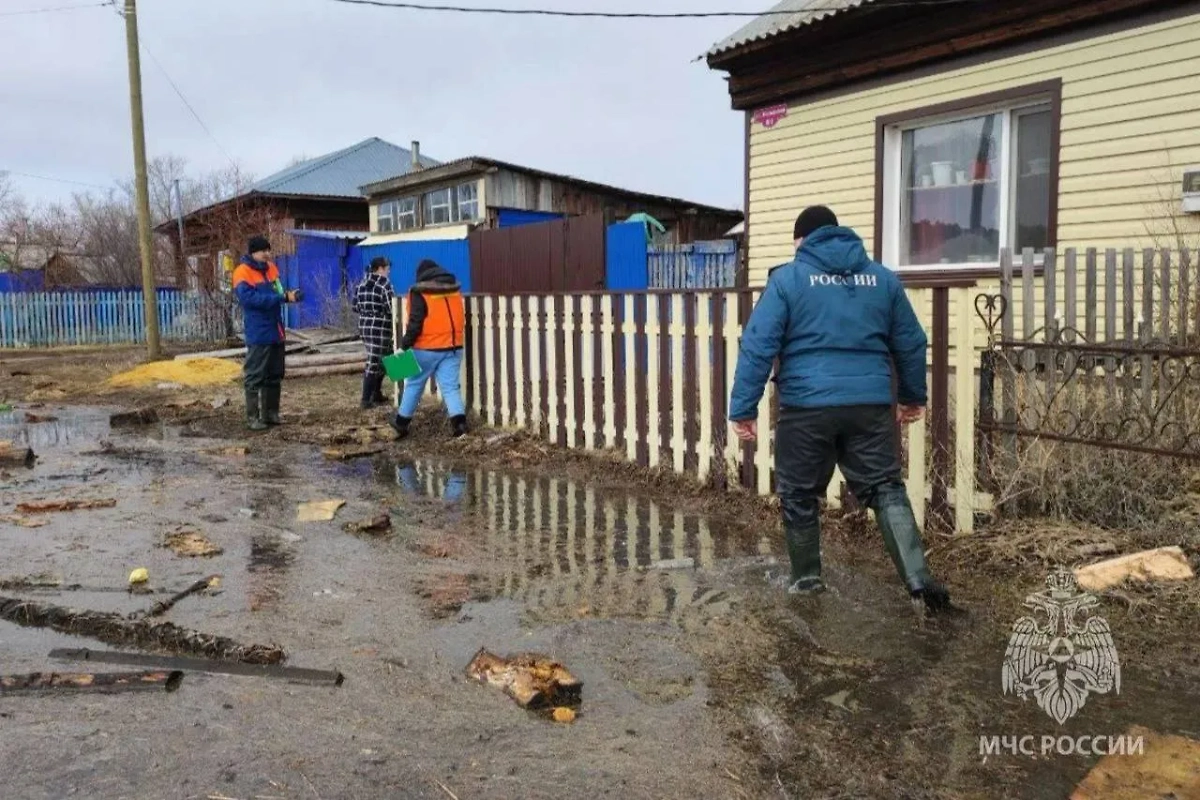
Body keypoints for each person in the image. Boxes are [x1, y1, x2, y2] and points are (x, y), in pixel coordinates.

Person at [728, 205, 951, 614]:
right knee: (885, 488)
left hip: (807, 406)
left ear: (802, 240)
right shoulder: (882, 279)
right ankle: (920, 583)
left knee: (799, 494)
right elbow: (911, 341)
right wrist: (912, 397)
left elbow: (758, 344)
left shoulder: (788, 280)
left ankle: (808, 585)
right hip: (868, 405)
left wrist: (743, 407)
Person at [389, 259, 468, 439]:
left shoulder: (419, 292)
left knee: (415, 383)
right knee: (450, 388)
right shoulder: (454, 290)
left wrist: (404, 346)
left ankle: (401, 424)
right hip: (453, 347)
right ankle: (460, 427)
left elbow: (415, 324)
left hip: (426, 348)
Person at [232, 235, 302, 431]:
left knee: (275, 374)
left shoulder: (271, 269)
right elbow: (250, 300)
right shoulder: (242, 272)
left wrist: (289, 295)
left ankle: (271, 413)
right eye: (264, 251)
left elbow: (278, 290)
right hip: (259, 329)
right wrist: (280, 297)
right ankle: (253, 417)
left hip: (275, 328)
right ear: (253, 252)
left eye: (268, 250)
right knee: (255, 375)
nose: (267, 254)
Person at [352, 256, 396, 409]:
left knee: (386, 357)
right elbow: (391, 308)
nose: (389, 271)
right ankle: (366, 399)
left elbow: (355, 307)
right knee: (377, 360)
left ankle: (376, 393)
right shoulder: (385, 284)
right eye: (387, 268)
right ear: (380, 268)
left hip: (364, 326)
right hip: (381, 327)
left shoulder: (361, 284)